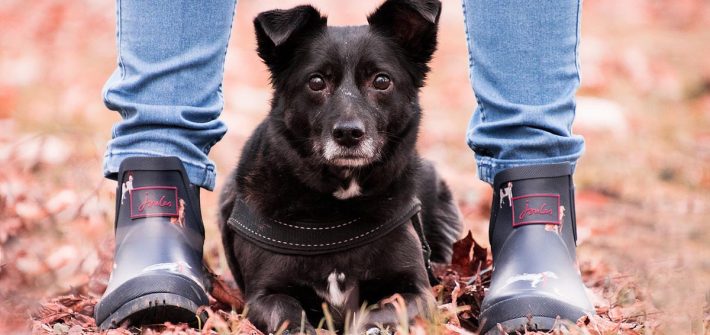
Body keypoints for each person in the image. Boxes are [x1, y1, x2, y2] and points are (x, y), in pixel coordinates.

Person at [93, 0, 594, 333]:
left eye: (379, 81)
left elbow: (412, 293)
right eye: (318, 84)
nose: (350, 120)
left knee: (427, 190)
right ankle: (155, 204)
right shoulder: (260, 191)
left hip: (389, 208)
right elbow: (266, 297)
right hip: (283, 215)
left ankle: (535, 207)